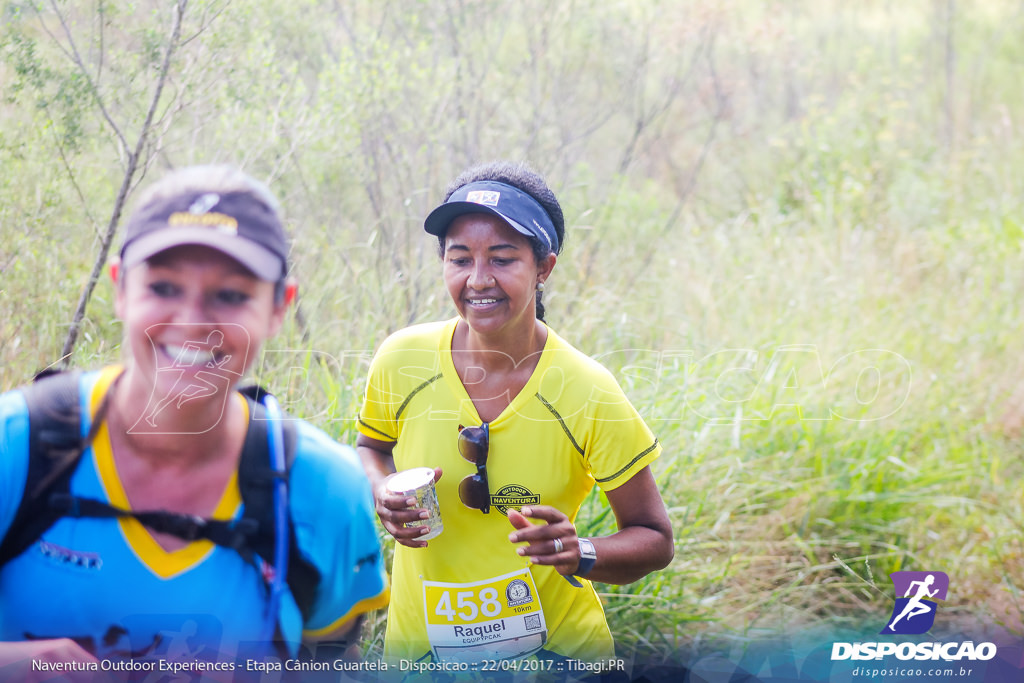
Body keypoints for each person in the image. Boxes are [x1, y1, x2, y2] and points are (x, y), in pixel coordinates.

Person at [0, 165, 389, 674]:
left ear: (279, 307)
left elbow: (333, 661)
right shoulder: (18, 449)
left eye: (230, 295)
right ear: (120, 288)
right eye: (163, 287)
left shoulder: (321, 490)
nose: (192, 321)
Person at [357, 161, 674, 666]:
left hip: (560, 659)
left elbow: (654, 538)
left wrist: (582, 553)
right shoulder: (403, 359)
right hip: (420, 659)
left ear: (544, 267)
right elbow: (371, 448)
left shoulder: (587, 390)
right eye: (460, 260)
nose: (478, 280)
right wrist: (382, 491)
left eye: (503, 259)